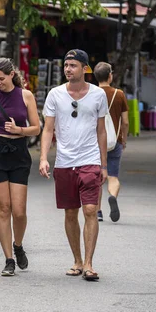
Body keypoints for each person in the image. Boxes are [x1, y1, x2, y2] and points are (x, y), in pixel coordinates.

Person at [39, 49, 107, 282]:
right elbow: (48, 129)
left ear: (85, 68)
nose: (68, 69)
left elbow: (101, 130)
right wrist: (43, 158)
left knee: (90, 210)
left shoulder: (98, 95)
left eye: (73, 65)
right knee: (70, 212)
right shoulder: (55, 95)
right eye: (66, 65)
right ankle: (77, 260)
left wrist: (104, 165)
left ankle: (89, 264)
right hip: (64, 162)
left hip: (90, 160)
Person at [0, 58, 41, 276]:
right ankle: (8, 259)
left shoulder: (26, 96)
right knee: (4, 209)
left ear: (12, 74)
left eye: (1, 79)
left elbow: (36, 129)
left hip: (19, 153)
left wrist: (19, 130)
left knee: (19, 211)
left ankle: (18, 245)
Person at [93, 62, 129, 222]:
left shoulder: (91, 93)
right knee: (113, 176)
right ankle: (112, 196)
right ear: (110, 76)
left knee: (97, 177)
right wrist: (124, 138)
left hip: (94, 143)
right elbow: (126, 121)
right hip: (115, 141)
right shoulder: (119, 94)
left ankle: (98, 212)